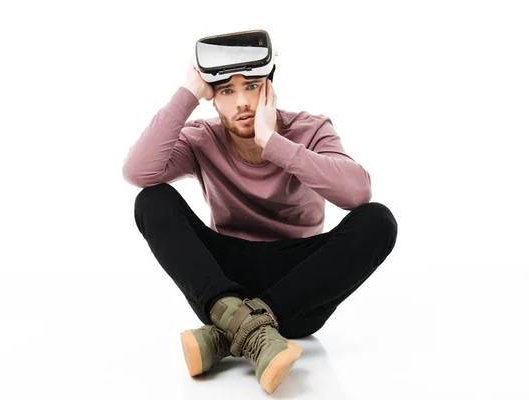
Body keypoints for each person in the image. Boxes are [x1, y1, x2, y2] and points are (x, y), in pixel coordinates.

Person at [122, 58, 398, 394]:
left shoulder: (309, 129)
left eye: (252, 87)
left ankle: (228, 333)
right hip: (222, 287)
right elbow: (138, 172)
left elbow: (358, 192)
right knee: (152, 201)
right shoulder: (203, 137)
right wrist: (188, 93)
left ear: (270, 86)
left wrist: (272, 142)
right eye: (226, 90)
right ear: (211, 97)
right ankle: (243, 323)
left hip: (298, 290)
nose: (241, 101)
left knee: (379, 220)